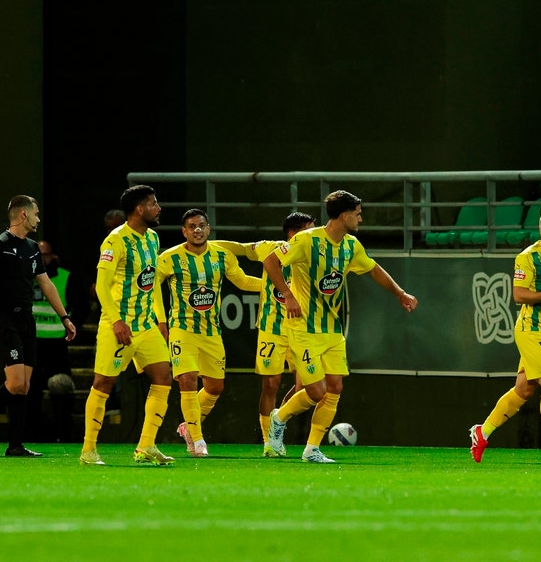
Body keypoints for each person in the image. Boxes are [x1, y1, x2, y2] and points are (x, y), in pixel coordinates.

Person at [264, 190, 418, 463]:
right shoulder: (306, 240)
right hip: (303, 328)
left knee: (335, 387)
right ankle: (279, 417)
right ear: (344, 215)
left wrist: (400, 293)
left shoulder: (351, 245)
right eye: (358, 213)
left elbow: (372, 269)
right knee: (316, 392)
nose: (361, 218)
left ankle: (312, 449)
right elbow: (270, 261)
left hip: (332, 329)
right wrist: (288, 295)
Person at [469, 203, 541, 463]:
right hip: (531, 330)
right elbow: (518, 295)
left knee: (524, 389)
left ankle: (482, 431)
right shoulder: (528, 257)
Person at [0, 196, 76, 457]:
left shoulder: (31, 247)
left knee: (25, 386)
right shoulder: (0, 244)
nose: (39, 219)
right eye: (36, 214)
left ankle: (15, 445)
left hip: (26, 320)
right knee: (16, 383)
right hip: (4, 318)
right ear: (23, 215)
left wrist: (65, 317)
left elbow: (46, 284)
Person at [79, 184, 174, 466]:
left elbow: (152, 281)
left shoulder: (153, 239)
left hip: (145, 325)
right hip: (117, 325)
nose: (158, 209)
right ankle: (88, 451)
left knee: (163, 377)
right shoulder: (115, 241)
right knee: (104, 383)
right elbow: (102, 287)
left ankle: (146, 446)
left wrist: (161, 318)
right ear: (139, 209)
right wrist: (117, 320)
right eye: (154, 204)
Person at [155, 209, 262, 457]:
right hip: (182, 329)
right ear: (184, 232)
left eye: (201, 225)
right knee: (187, 379)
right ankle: (198, 439)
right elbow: (152, 289)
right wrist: (162, 321)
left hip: (212, 331)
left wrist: (274, 286)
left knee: (215, 387)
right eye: (192, 226)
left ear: (209, 228)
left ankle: (187, 427)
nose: (197, 230)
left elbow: (243, 280)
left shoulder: (221, 255)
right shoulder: (169, 258)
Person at [214, 212, 316, 457]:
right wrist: (205, 244)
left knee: (307, 387)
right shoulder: (270, 249)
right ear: (293, 234)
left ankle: (277, 424)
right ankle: (268, 441)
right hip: (272, 328)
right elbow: (239, 248)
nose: (314, 234)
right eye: (309, 229)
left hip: (301, 329)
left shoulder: (314, 253)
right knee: (271, 384)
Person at [28, 239, 89, 442]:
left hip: (56, 345)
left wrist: (71, 327)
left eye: (45, 255)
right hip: (32, 343)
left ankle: (63, 435)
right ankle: (31, 435)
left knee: (62, 390)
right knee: (31, 391)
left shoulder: (65, 278)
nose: (42, 259)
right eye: (39, 254)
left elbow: (82, 307)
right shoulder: (26, 277)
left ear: (53, 256)